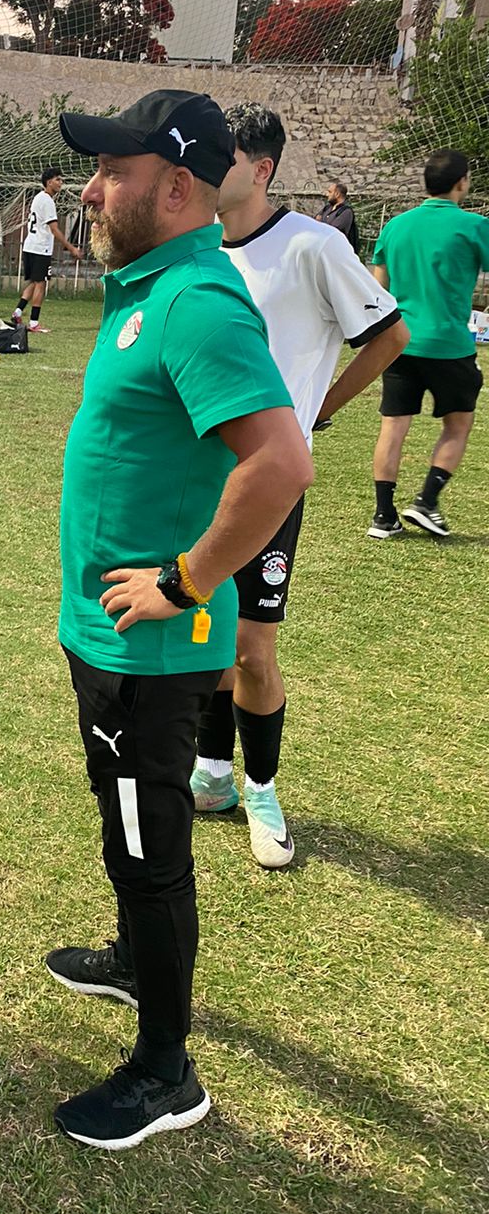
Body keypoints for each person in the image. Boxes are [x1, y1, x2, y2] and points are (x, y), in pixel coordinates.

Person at [44, 90, 313, 1150]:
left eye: (114, 171)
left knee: (150, 844)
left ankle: (166, 1072)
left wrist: (187, 583)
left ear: (178, 187)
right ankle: (131, 957)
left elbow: (280, 462)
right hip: (109, 636)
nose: (91, 189)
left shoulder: (198, 301)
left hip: (152, 648)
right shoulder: (150, 286)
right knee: (126, 826)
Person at [190, 105, 408, 868]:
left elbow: (390, 335)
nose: (206, 168)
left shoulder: (313, 245)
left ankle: (260, 789)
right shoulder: (201, 247)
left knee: (252, 647)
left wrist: (315, 411)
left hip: (269, 481)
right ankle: (212, 774)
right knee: (206, 628)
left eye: (222, 157)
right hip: (202, 477)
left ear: (261, 170)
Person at [368, 149, 489, 539]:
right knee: (458, 425)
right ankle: (426, 501)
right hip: (449, 344)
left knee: (393, 427)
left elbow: (378, 290)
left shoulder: (396, 226)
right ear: (462, 182)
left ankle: (383, 517)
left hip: (400, 342)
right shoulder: (475, 226)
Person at [11, 168, 82, 333]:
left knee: (34, 282)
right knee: (41, 284)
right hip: (40, 248)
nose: (61, 183)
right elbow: (54, 229)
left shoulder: (38, 198)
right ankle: (34, 323)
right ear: (49, 182)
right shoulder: (47, 201)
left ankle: (17, 312)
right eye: (58, 179)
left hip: (30, 245)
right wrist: (71, 248)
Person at [317, 180, 360, 256]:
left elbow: (332, 231)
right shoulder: (327, 208)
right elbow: (315, 221)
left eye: (330, 192)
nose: (327, 194)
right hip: (322, 250)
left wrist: (320, 225)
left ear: (337, 194)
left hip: (336, 253)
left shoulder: (346, 212)